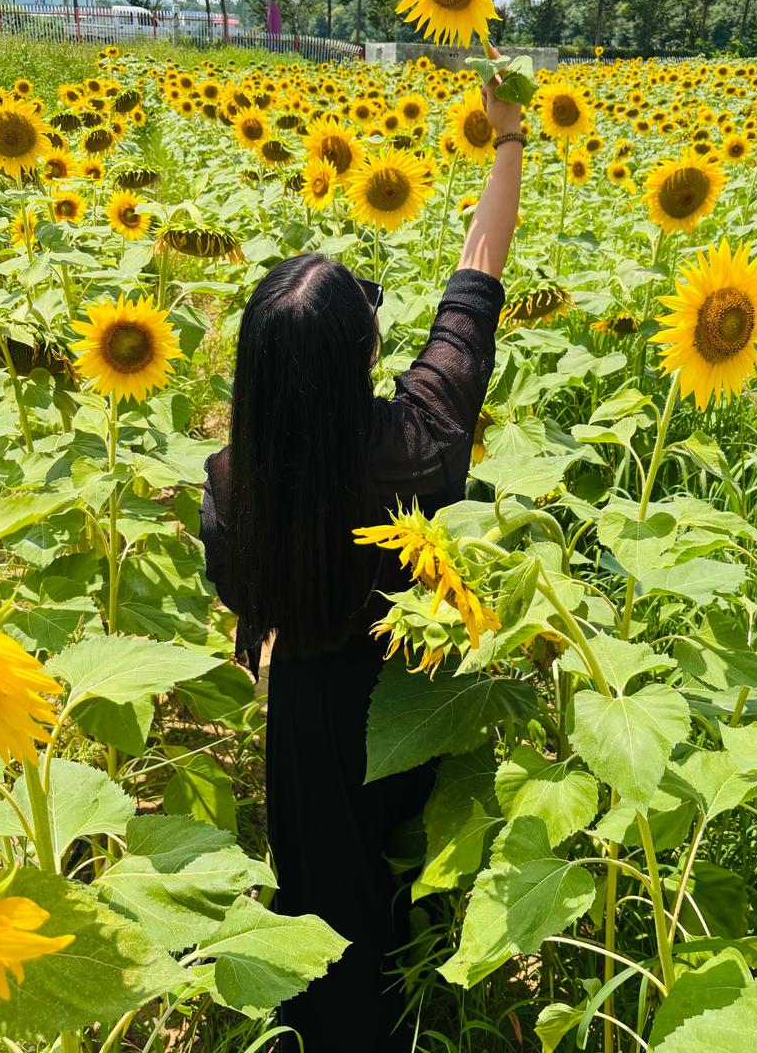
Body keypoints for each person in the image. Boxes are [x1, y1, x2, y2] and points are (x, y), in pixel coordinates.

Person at [199, 57, 524, 1051]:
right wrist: (508, 140)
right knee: (419, 869)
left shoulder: (231, 485)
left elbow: (234, 591)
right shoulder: (421, 445)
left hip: (306, 711)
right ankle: (426, 1015)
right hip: (415, 690)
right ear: (362, 361)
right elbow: (478, 280)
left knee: (324, 895)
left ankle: (333, 1031)